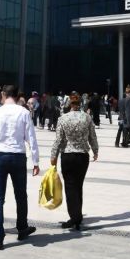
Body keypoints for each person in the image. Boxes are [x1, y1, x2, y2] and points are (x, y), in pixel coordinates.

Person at [0, 85, 40, 249]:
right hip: (18, 156)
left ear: (4, 95)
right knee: (21, 195)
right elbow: (31, 139)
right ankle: (22, 227)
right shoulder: (24, 113)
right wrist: (36, 161)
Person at [51, 93, 99, 230]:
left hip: (68, 155)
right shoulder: (87, 118)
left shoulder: (63, 119)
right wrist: (95, 150)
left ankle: (75, 216)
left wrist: (53, 156)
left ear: (69, 104)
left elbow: (58, 140)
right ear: (80, 104)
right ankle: (78, 216)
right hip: (83, 156)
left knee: (70, 186)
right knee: (78, 186)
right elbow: (92, 137)